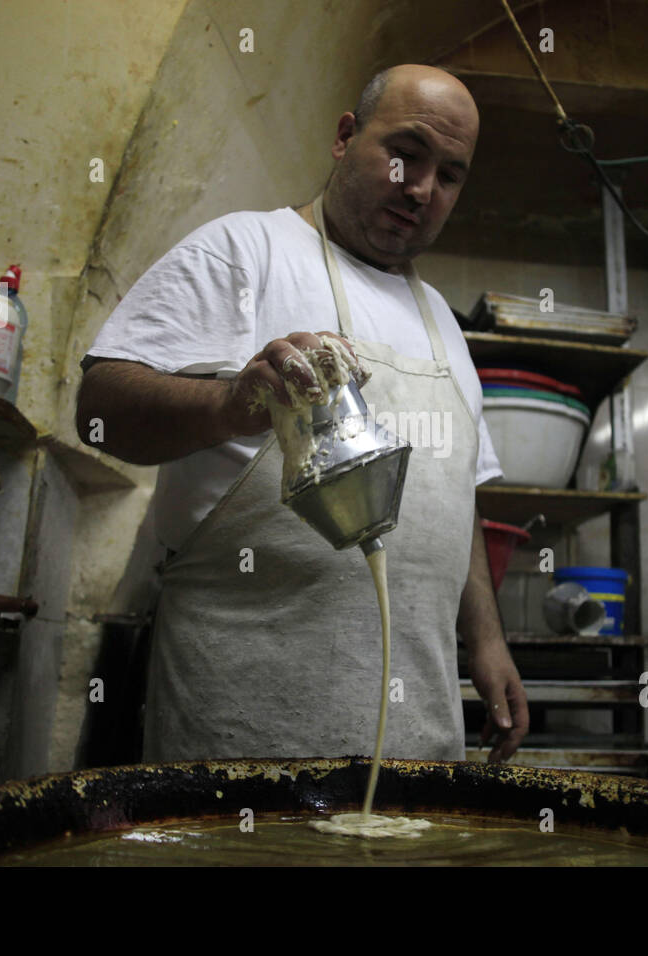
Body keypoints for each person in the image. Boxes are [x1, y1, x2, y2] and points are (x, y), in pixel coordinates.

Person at [76, 64, 528, 764]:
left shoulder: (441, 321)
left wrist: (489, 640)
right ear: (346, 137)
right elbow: (99, 410)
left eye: (450, 175)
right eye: (405, 152)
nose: (421, 188)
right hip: (245, 728)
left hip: (418, 734)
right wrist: (231, 406)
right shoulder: (245, 252)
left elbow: (454, 497)